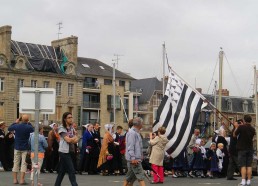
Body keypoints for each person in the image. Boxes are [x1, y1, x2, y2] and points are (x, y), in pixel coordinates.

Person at [8, 115, 34, 185]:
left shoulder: (17, 126)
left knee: (15, 163)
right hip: (25, 147)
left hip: (17, 147)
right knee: (24, 164)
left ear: (21, 119)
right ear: (27, 120)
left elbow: (9, 128)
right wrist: (28, 122)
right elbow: (33, 129)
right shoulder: (29, 127)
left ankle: (15, 179)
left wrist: (15, 122)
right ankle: (22, 180)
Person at [54, 112, 79, 186]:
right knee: (71, 170)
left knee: (62, 171)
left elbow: (77, 138)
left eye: (71, 117)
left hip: (71, 151)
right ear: (65, 119)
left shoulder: (71, 128)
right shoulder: (62, 128)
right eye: (69, 117)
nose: (71, 119)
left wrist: (73, 138)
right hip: (64, 152)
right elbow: (67, 140)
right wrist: (73, 138)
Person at [233, 115, 256, 186]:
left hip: (242, 148)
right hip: (250, 148)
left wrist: (236, 127)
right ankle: (248, 181)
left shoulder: (241, 127)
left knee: (243, 165)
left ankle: (243, 181)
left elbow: (234, 135)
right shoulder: (253, 129)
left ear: (244, 120)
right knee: (249, 166)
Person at [123, 117, 146, 186]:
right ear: (139, 124)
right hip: (134, 159)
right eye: (142, 123)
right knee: (140, 176)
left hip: (135, 159)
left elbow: (138, 146)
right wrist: (133, 158)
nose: (143, 124)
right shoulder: (132, 133)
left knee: (130, 178)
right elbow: (130, 147)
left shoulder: (135, 132)